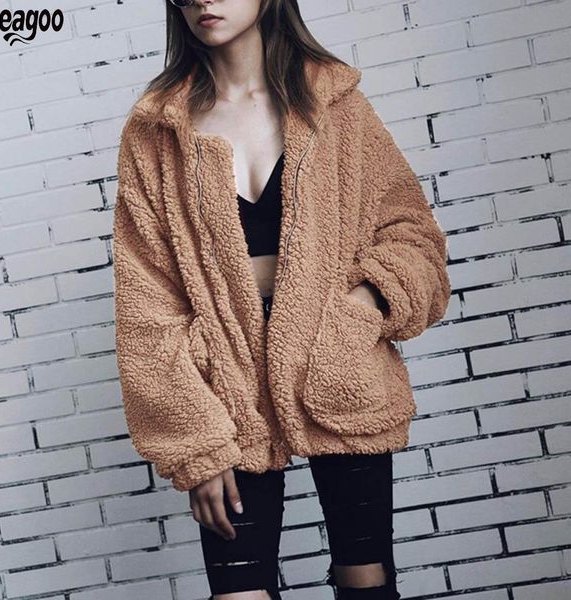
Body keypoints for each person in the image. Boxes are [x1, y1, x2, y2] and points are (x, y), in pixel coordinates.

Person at [112, 1, 451, 599]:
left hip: (335, 364)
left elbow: (412, 235)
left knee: (365, 581)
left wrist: (361, 308)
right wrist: (195, 442)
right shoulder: (157, 130)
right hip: (224, 384)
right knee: (237, 593)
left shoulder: (335, 105)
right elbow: (146, 303)